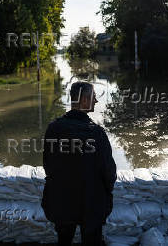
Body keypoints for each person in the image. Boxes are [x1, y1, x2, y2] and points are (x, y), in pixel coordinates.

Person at [41, 81, 117, 246]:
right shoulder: (97, 133)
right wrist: (106, 193)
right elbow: (109, 172)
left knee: (64, 240)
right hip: (91, 202)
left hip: (61, 200)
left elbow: (48, 165)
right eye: (94, 97)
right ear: (83, 100)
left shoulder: (53, 129)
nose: (96, 101)